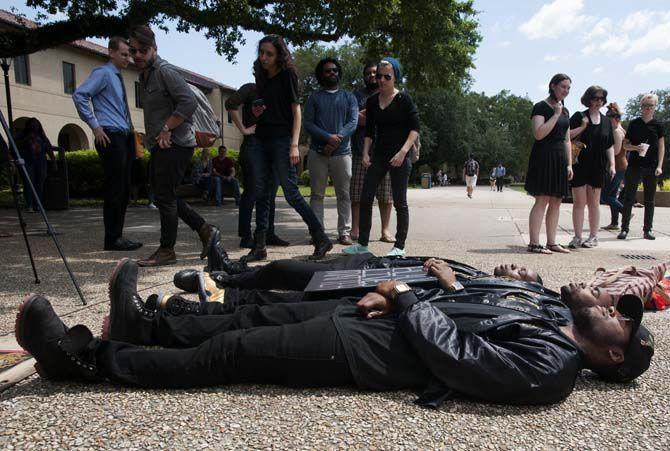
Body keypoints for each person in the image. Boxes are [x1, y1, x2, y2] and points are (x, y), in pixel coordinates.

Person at [17, 258, 653, 408]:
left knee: (231, 353)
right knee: (254, 315)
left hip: (366, 350)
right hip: (374, 317)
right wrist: (395, 291)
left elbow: (460, 359)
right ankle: (143, 323)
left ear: (615, 351)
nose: (616, 307)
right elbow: (466, 313)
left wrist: (403, 297)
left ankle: (88, 360)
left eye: (624, 316)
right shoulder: (551, 321)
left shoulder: (553, 370)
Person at [129, 25, 216, 267]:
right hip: (161, 144)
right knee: (164, 195)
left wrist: (167, 128)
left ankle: (167, 250)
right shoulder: (145, 74)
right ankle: (206, 230)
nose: (137, 55)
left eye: (143, 51)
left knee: (165, 197)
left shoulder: (165, 71)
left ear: (154, 49)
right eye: (133, 51)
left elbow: (187, 102)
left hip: (176, 143)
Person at [247, 34, 332, 261]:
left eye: (269, 54)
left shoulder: (288, 75)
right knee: (262, 193)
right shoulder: (260, 73)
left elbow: (296, 111)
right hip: (261, 137)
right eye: (261, 53)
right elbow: (267, 104)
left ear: (279, 55)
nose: (264, 58)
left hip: (282, 140)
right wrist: (258, 111)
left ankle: (321, 238)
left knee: (292, 193)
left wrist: (294, 145)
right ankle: (260, 244)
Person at [72, 37, 143, 251]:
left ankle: (117, 235)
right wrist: (95, 126)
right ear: (111, 52)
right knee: (115, 189)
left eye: (129, 54)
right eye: (123, 54)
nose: (128, 58)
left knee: (124, 188)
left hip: (123, 134)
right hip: (110, 134)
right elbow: (80, 95)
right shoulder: (103, 73)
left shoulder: (117, 77)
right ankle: (112, 239)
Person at [344, 58, 419, 257]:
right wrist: (366, 153)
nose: (382, 80)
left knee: (399, 202)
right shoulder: (372, 102)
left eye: (387, 76)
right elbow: (369, 132)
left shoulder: (403, 99)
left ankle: (399, 246)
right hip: (379, 155)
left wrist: (403, 152)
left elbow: (415, 130)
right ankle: (362, 243)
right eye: (379, 76)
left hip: (400, 157)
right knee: (366, 198)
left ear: (395, 78)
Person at [225, 82, 289, 249]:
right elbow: (230, 104)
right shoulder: (250, 88)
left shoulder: (280, 91)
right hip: (253, 144)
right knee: (252, 192)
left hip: (273, 146)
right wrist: (244, 130)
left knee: (270, 193)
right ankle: (246, 236)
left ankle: (268, 233)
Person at [304, 57, 358, 245]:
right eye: (328, 71)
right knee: (317, 195)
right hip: (317, 152)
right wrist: (328, 138)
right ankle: (318, 233)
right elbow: (308, 123)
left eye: (335, 70)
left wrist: (337, 139)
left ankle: (344, 232)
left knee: (343, 194)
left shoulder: (349, 97)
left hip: (342, 153)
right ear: (321, 74)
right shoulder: (314, 98)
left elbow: (353, 122)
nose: (332, 73)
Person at [524, 74, 574, 254]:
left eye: (568, 88)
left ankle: (552, 242)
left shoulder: (565, 110)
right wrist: (555, 115)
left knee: (557, 200)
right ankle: (534, 243)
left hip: (560, 158)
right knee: (542, 199)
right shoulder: (541, 107)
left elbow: (567, 139)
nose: (566, 91)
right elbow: (538, 133)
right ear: (553, 86)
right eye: (563, 87)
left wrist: (569, 164)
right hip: (544, 156)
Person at [350, 63, 395, 244]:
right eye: (368, 73)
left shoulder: (390, 95)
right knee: (358, 193)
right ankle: (356, 228)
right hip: (360, 150)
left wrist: (369, 118)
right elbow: (353, 120)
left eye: (375, 73)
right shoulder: (356, 96)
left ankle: (385, 230)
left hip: (385, 152)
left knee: (386, 195)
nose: (372, 76)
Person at [567, 86, 615, 249]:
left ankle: (593, 237)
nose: (598, 101)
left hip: (598, 165)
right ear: (588, 99)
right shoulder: (579, 116)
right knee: (579, 202)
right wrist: (582, 127)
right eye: (595, 98)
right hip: (579, 164)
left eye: (601, 98)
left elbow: (609, 145)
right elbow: (566, 137)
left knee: (594, 203)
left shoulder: (607, 121)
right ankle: (577, 237)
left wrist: (612, 165)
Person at [618, 93, 666, 240]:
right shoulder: (634, 124)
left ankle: (648, 229)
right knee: (629, 197)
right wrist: (635, 148)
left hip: (651, 166)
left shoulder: (658, 125)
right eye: (644, 106)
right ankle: (624, 228)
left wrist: (659, 165)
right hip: (634, 165)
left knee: (649, 200)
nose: (647, 109)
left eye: (650, 106)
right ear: (641, 106)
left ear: (654, 107)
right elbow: (625, 145)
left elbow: (661, 146)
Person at [16, 118, 55, 212]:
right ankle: (29, 205)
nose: (34, 126)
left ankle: (37, 204)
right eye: (32, 124)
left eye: (36, 124)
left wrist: (53, 161)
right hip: (28, 161)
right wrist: (27, 139)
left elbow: (48, 148)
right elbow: (16, 146)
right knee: (29, 182)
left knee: (40, 183)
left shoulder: (42, 136)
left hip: (41, 161)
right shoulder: (22, 135)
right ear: (28, 125)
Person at [602, 103, 627, 231]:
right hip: (620, 166)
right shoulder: (621, 130)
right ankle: (614, 222)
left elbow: (616, 151)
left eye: (609, 117)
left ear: (616, 118)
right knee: (612, 195)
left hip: (618, 166)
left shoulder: (617, 132)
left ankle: (625, 212)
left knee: (607, 196)